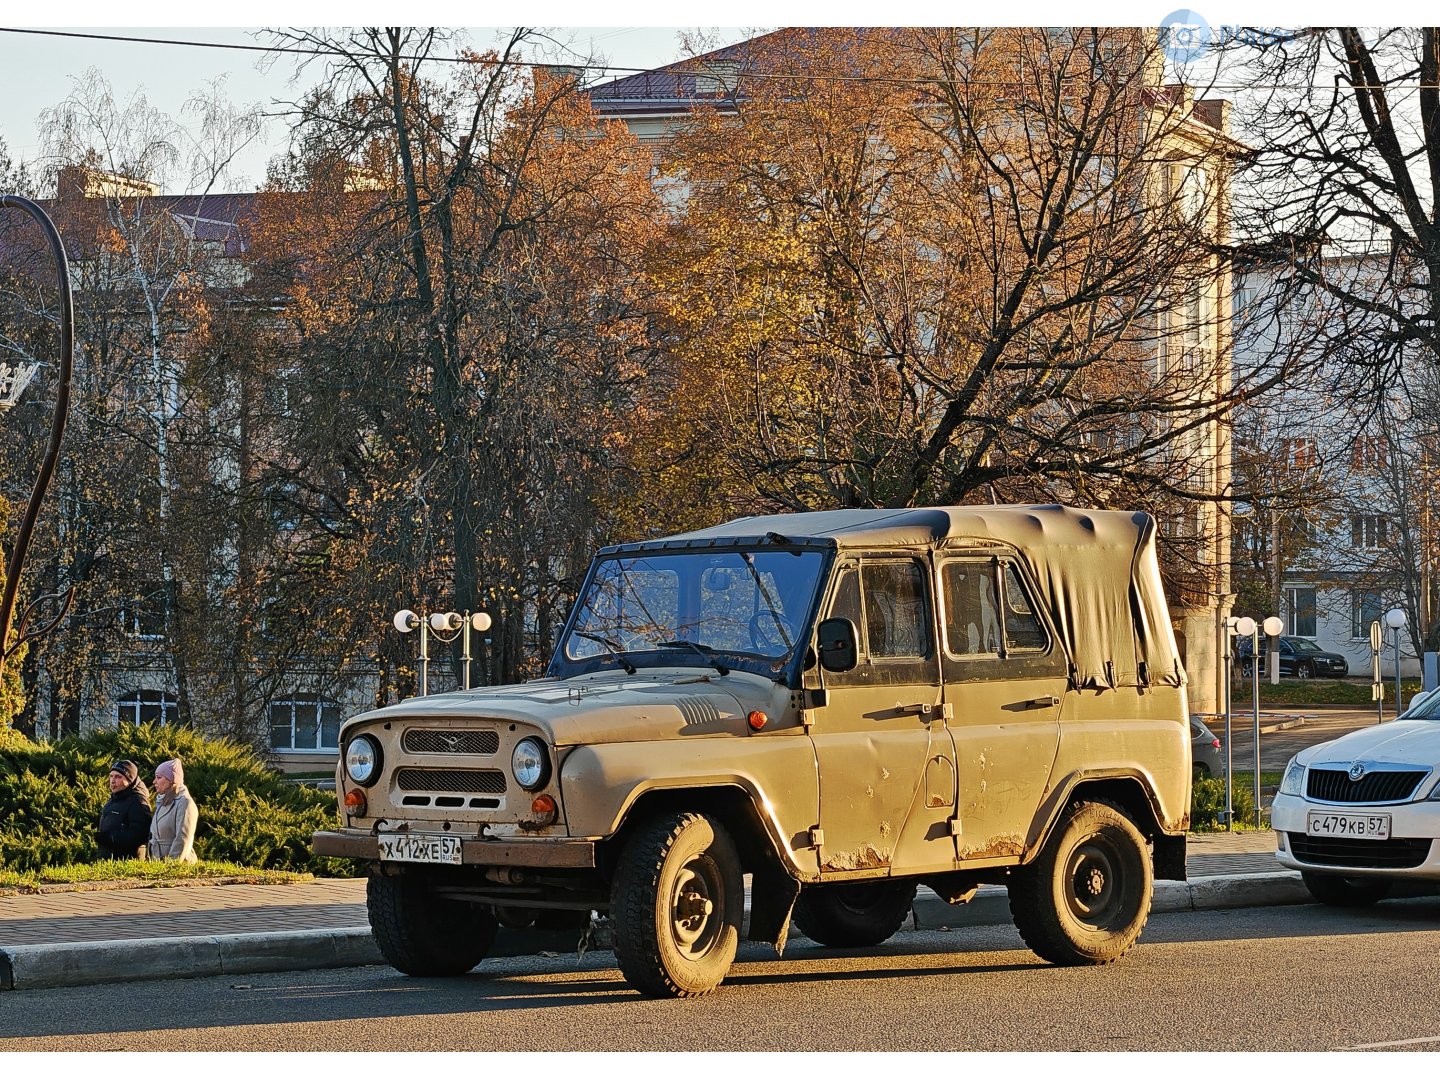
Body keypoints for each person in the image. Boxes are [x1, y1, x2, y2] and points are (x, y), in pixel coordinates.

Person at [97, 759, 152, 860]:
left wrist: (110, 838)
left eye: (118, 777)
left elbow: (141, 835)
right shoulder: (114, 799)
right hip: (107, 861)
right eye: (111, 776)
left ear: (129, 780)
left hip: (128, 864)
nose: (112, 781)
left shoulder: (138, 801)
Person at [147, 757, 199, 863]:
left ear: (172, 780)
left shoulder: (185, 803)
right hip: (159, 864)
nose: (154, 782)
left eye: (159, 777)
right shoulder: (163, 802)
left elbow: (183, 837)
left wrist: (172, 866)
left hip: (179, 868)